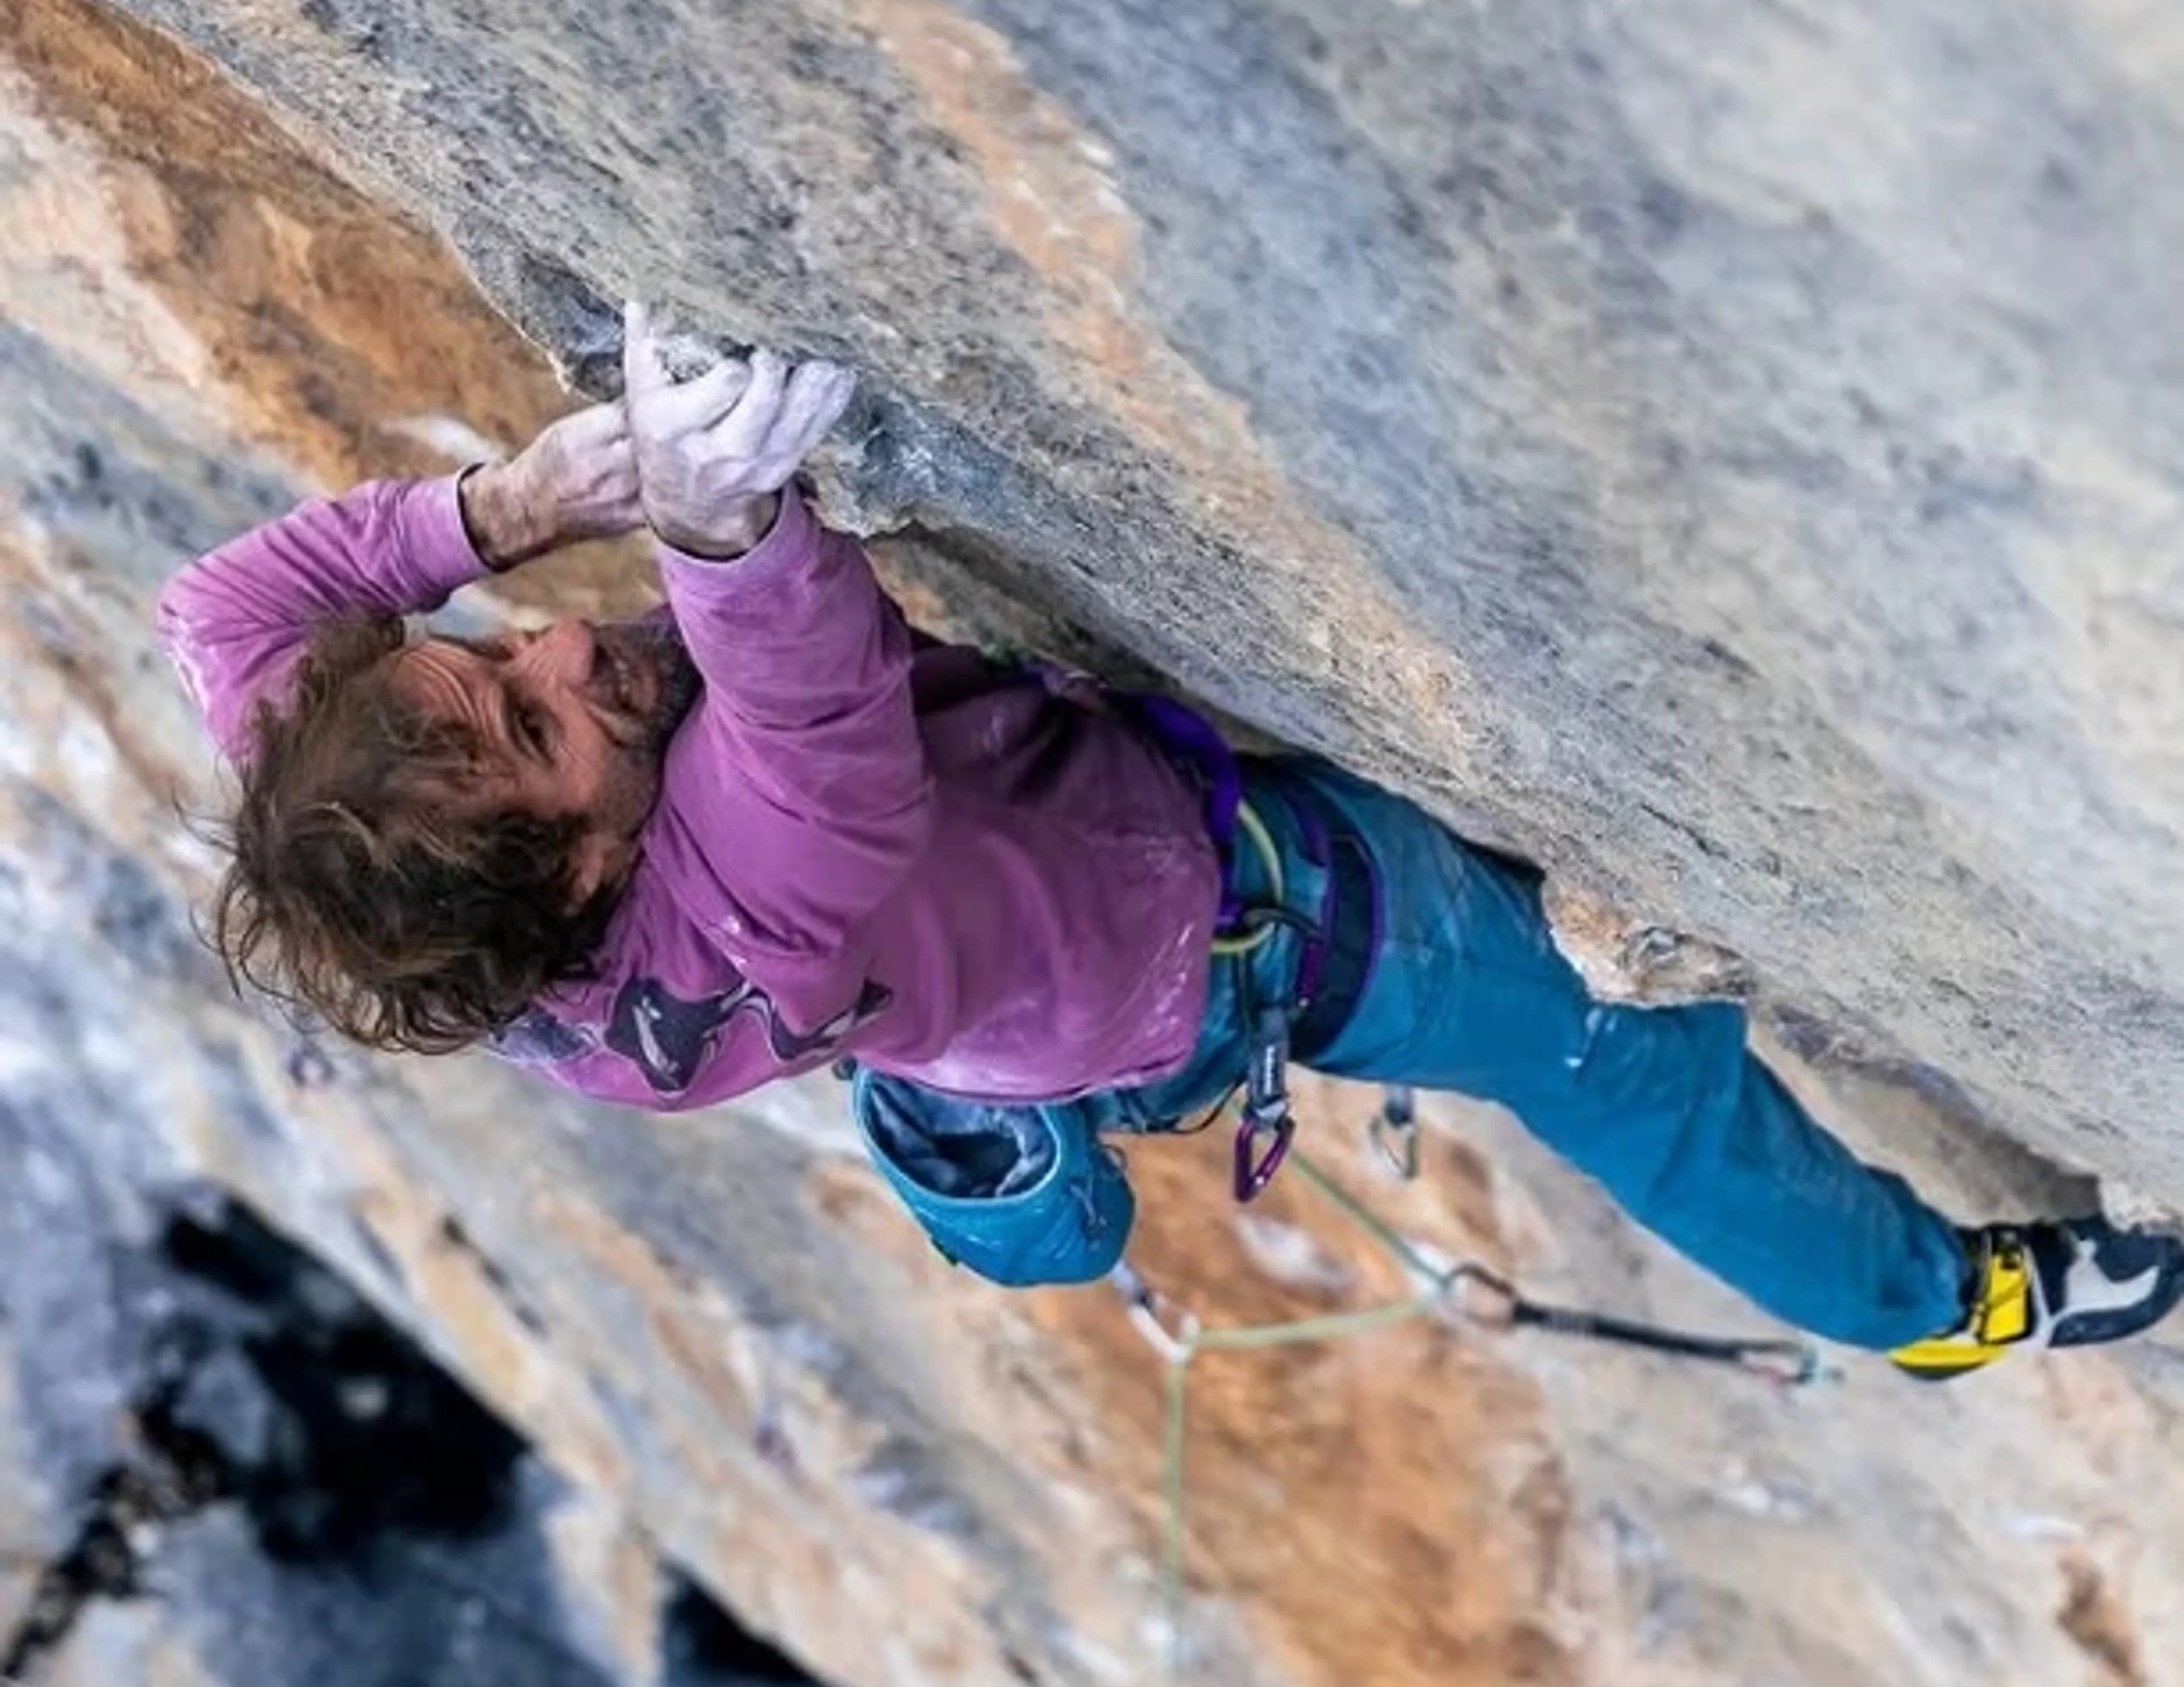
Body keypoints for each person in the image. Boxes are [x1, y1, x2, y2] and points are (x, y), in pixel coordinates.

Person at [162, 307, 2182, 1378]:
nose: (546, 657)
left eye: (472, 665)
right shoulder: (720, 937)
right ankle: (1933, 1307)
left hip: (1030, 871)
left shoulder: (356, 802)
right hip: (1205, 932)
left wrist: (502, 506)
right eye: (534, 725)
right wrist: (706, 525)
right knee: (1617, 1053)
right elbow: (810, 727)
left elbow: (223, 620)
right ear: (593, 880)